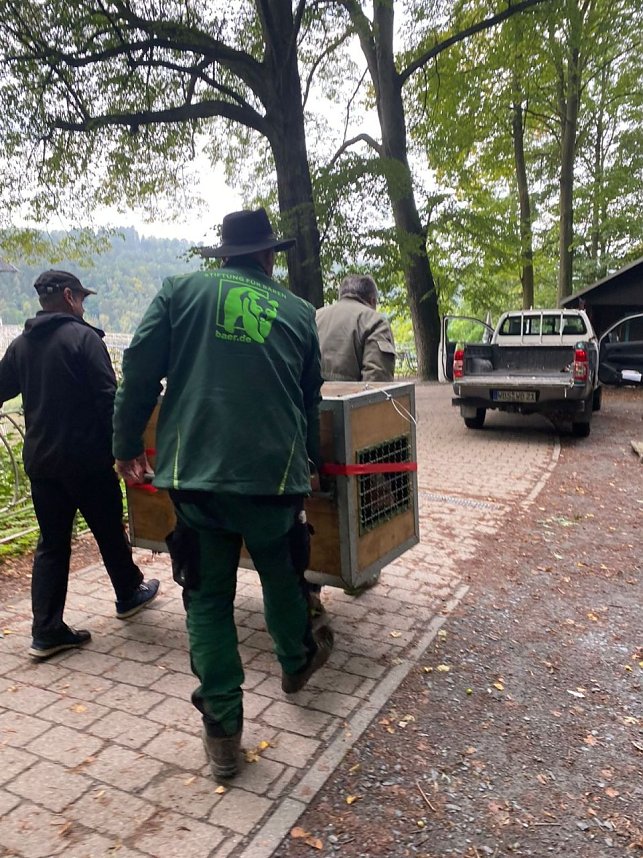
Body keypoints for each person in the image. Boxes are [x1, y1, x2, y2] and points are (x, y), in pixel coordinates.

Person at [112, 208, 332, 782]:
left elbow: (139, 370)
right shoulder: (299, 312)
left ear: (225, 254)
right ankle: (296, 662)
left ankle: (223, 733)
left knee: (207, 598)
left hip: (196, 477)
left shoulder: (180, 292)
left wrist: (126, 444)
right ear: (268, 256)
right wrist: (309, 464)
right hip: (273, 479)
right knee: (282, 573)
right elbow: (308, 398)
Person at [0, 270, 159, 660]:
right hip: (87, 461)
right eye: (83, 300)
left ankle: (46, 629)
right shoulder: (84, 339)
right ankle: (128, 593)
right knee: (108, 527)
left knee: (52, 543)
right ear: (69, 297)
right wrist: (126, 450)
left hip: (42, 464)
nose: (84, 307)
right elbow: (109, 399)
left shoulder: (21, 345)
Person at [315, 273, 396, 381]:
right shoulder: (374, 321)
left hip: (310, 391)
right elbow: (377, 376)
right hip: (350, 391)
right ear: (373, 301)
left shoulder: (314, 317)